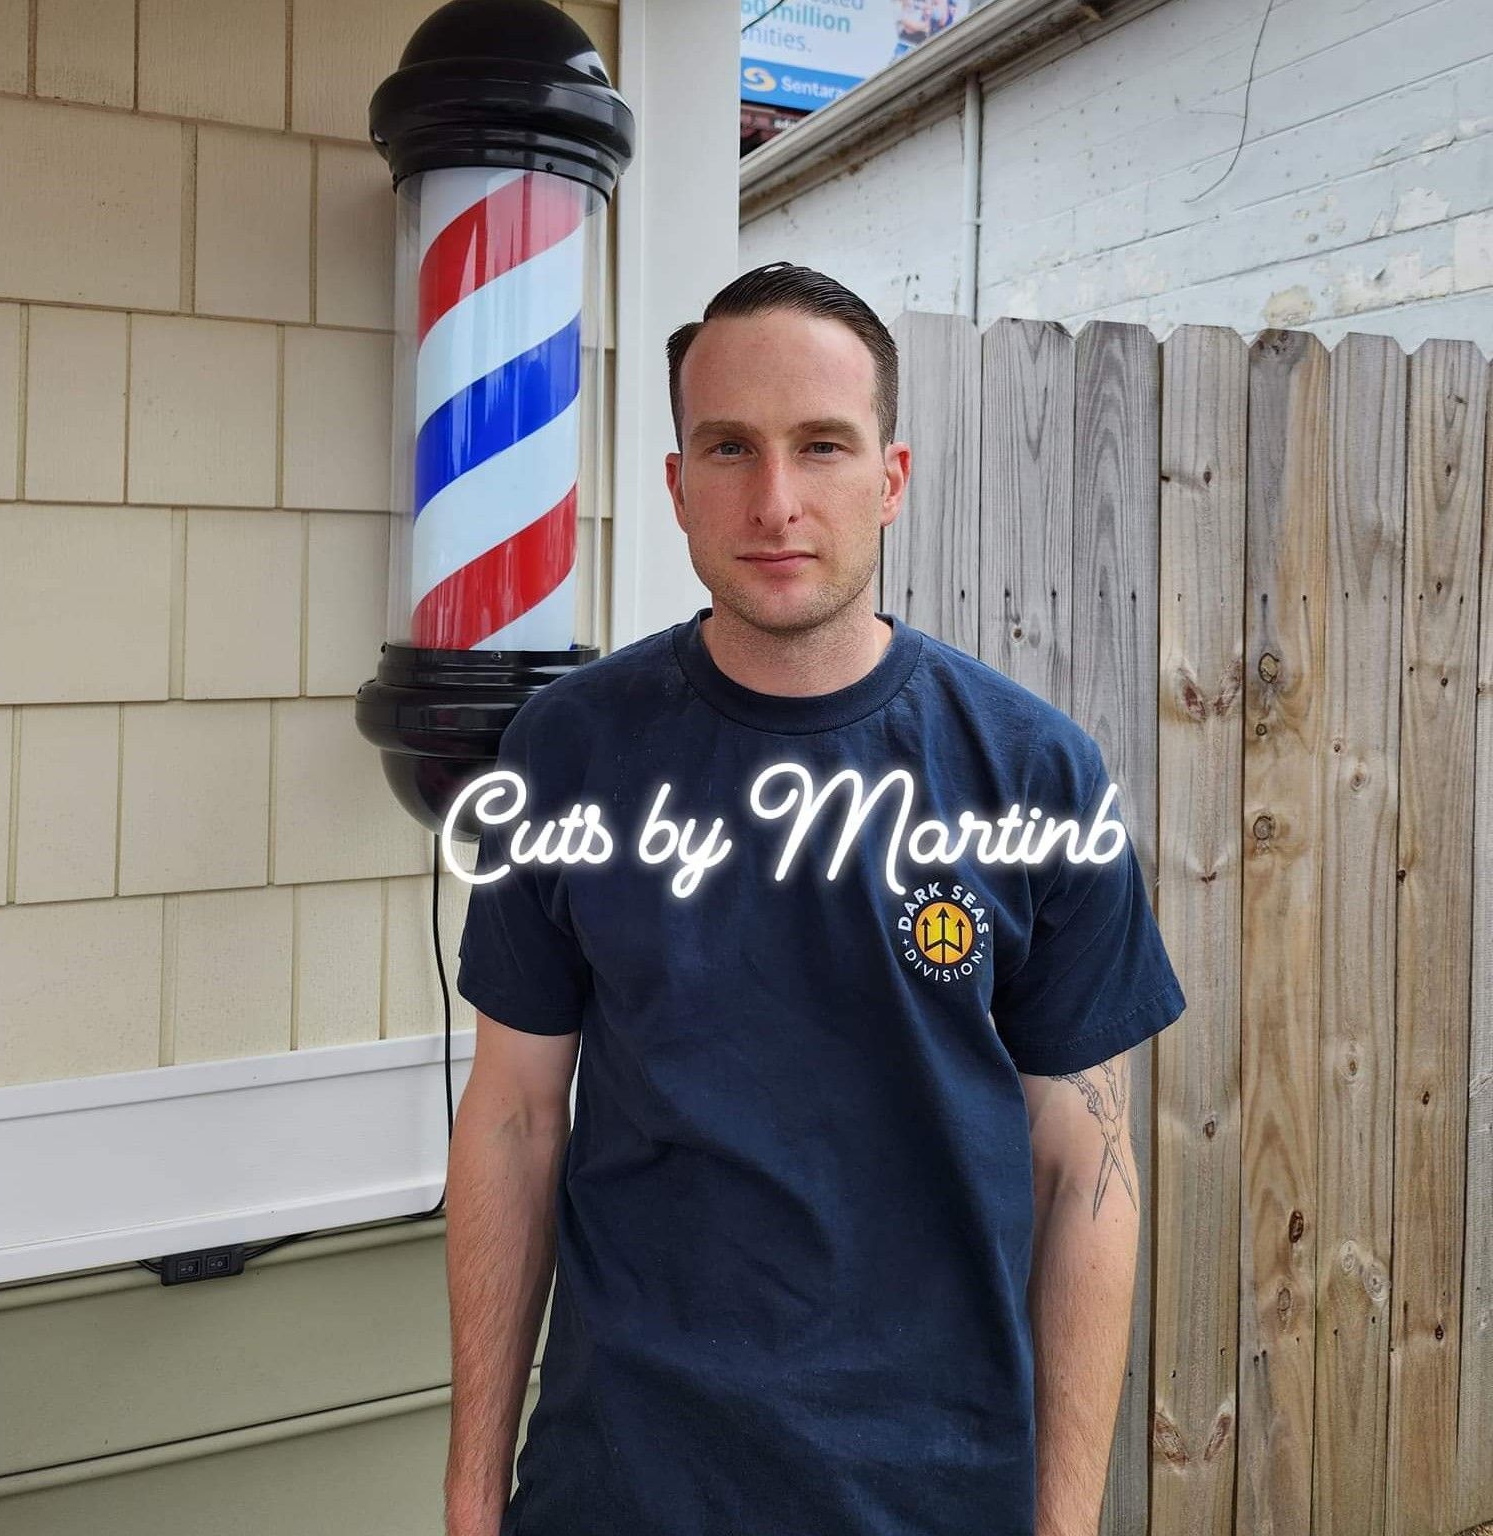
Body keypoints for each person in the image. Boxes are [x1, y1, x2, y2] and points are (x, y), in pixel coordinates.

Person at [443, 262, 1187, 1536]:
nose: (775, 500)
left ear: (890, 478)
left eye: (822, 446)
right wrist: (471, 1495)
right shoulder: (567, 755)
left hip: (931, 1490)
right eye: (729, 447)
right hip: (619, 1486)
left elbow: (1088, 1171)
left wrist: (1064, 1522)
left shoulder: (1032, 774)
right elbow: (512, 1120)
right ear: (676, 484)